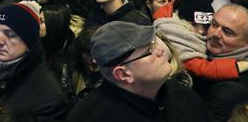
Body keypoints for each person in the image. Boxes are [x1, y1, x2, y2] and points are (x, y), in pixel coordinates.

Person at [65, 21, 210, 120]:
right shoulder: (89, 116)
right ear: (123, 74)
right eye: (149, 51)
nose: (160, 50)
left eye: (153, 43)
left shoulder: (183, 95)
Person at [194, 4, 248, 122]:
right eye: (214, 24)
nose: (215, 34)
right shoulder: (202, 45)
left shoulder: (232, 89)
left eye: (227, 32)